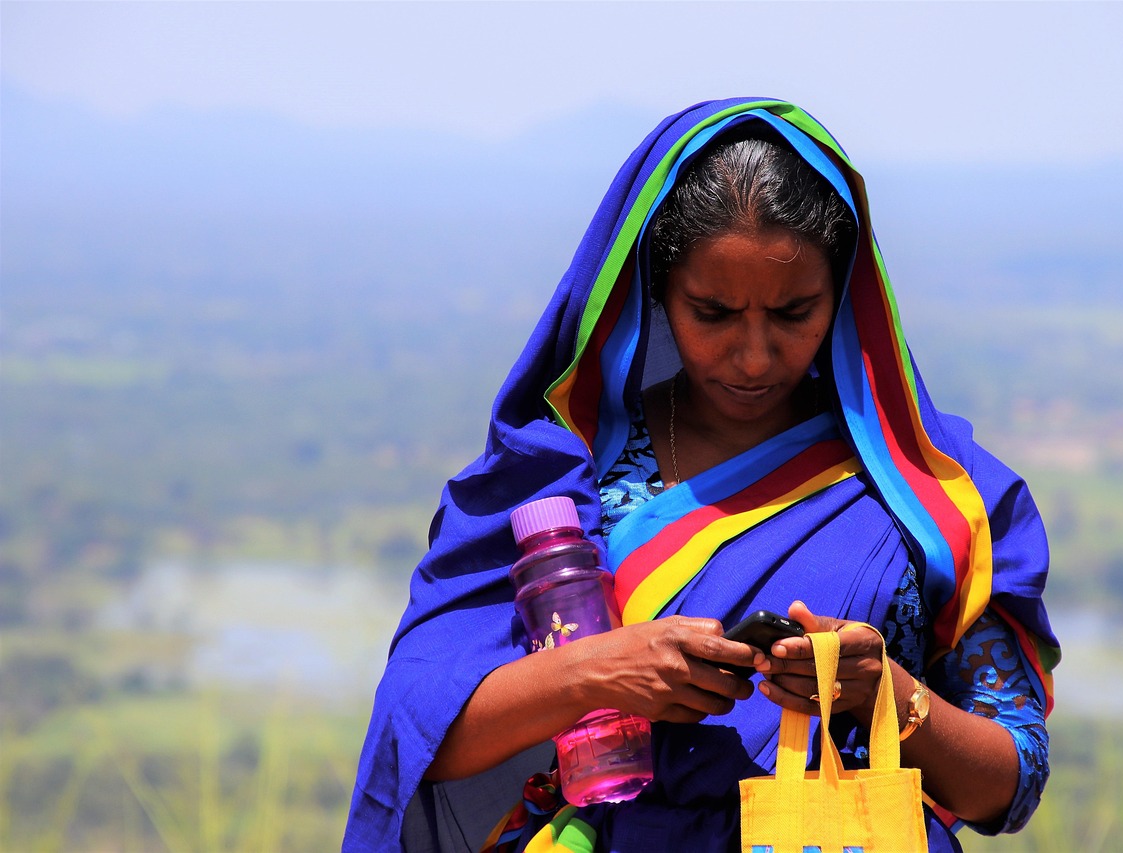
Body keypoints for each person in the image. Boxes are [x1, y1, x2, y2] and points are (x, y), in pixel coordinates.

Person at [344, 98, 1059, 853]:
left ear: (845, 294)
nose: (754, 355)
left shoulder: (936, 495)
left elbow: (1009, 784)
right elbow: (418, 734)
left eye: (794, 312)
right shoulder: (558, 480)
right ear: (655, 289)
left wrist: (882, 689)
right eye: (713, 312)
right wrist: (601, 672)